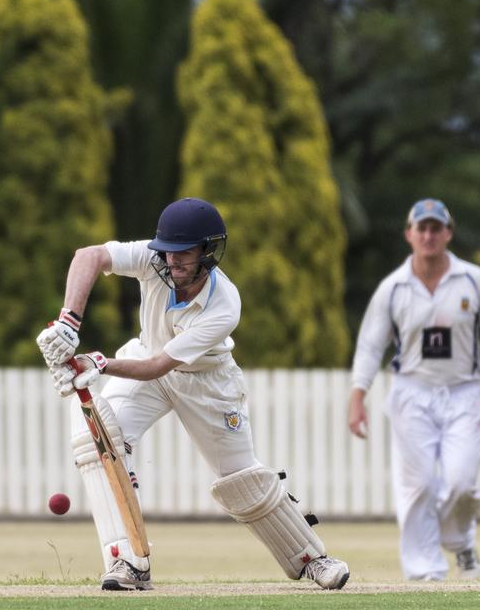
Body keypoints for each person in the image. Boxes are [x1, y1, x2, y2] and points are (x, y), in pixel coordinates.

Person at [36, 197, 350, 592]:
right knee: (99, 442)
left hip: (206, 382)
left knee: (241, 480)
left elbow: (160, 367)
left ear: (207, 251)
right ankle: (128, 563)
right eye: (167, 253)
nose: (172, 263)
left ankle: (313, 559)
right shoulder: (154, 259)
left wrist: (97, 363)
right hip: (147, 357)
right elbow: (89, 255)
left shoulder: (224, 304)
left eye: (182, 254)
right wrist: (69, 321)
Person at [347, 198, 480, 581]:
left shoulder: (473, 279)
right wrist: (358, 395)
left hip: (465, 392)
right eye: (421, 228)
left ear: (448, 233)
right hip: (412, 393)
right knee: (417, 485)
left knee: (461, 483)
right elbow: (371, 344)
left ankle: (458, 540)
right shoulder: (393, 288)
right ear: (409, 234)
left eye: (436, 228)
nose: (428, 235)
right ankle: (425, 575)